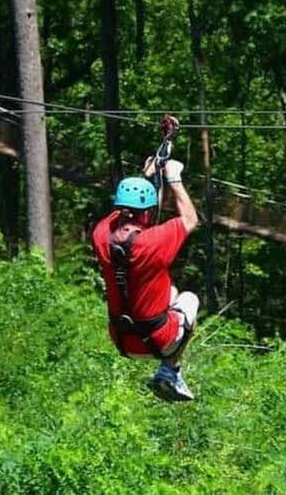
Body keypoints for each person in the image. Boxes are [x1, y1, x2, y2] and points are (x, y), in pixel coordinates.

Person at [92, 158, 200, 402]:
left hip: (122, 340)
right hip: (158, 342)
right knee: (189, 299)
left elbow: (121, 214)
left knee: (170, 293)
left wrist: (147, 174)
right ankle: (169, 370)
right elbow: (191, 219)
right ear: (147, 212)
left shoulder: (100, 234)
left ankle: (168, 369)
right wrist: (174, 178)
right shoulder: (153, 242)